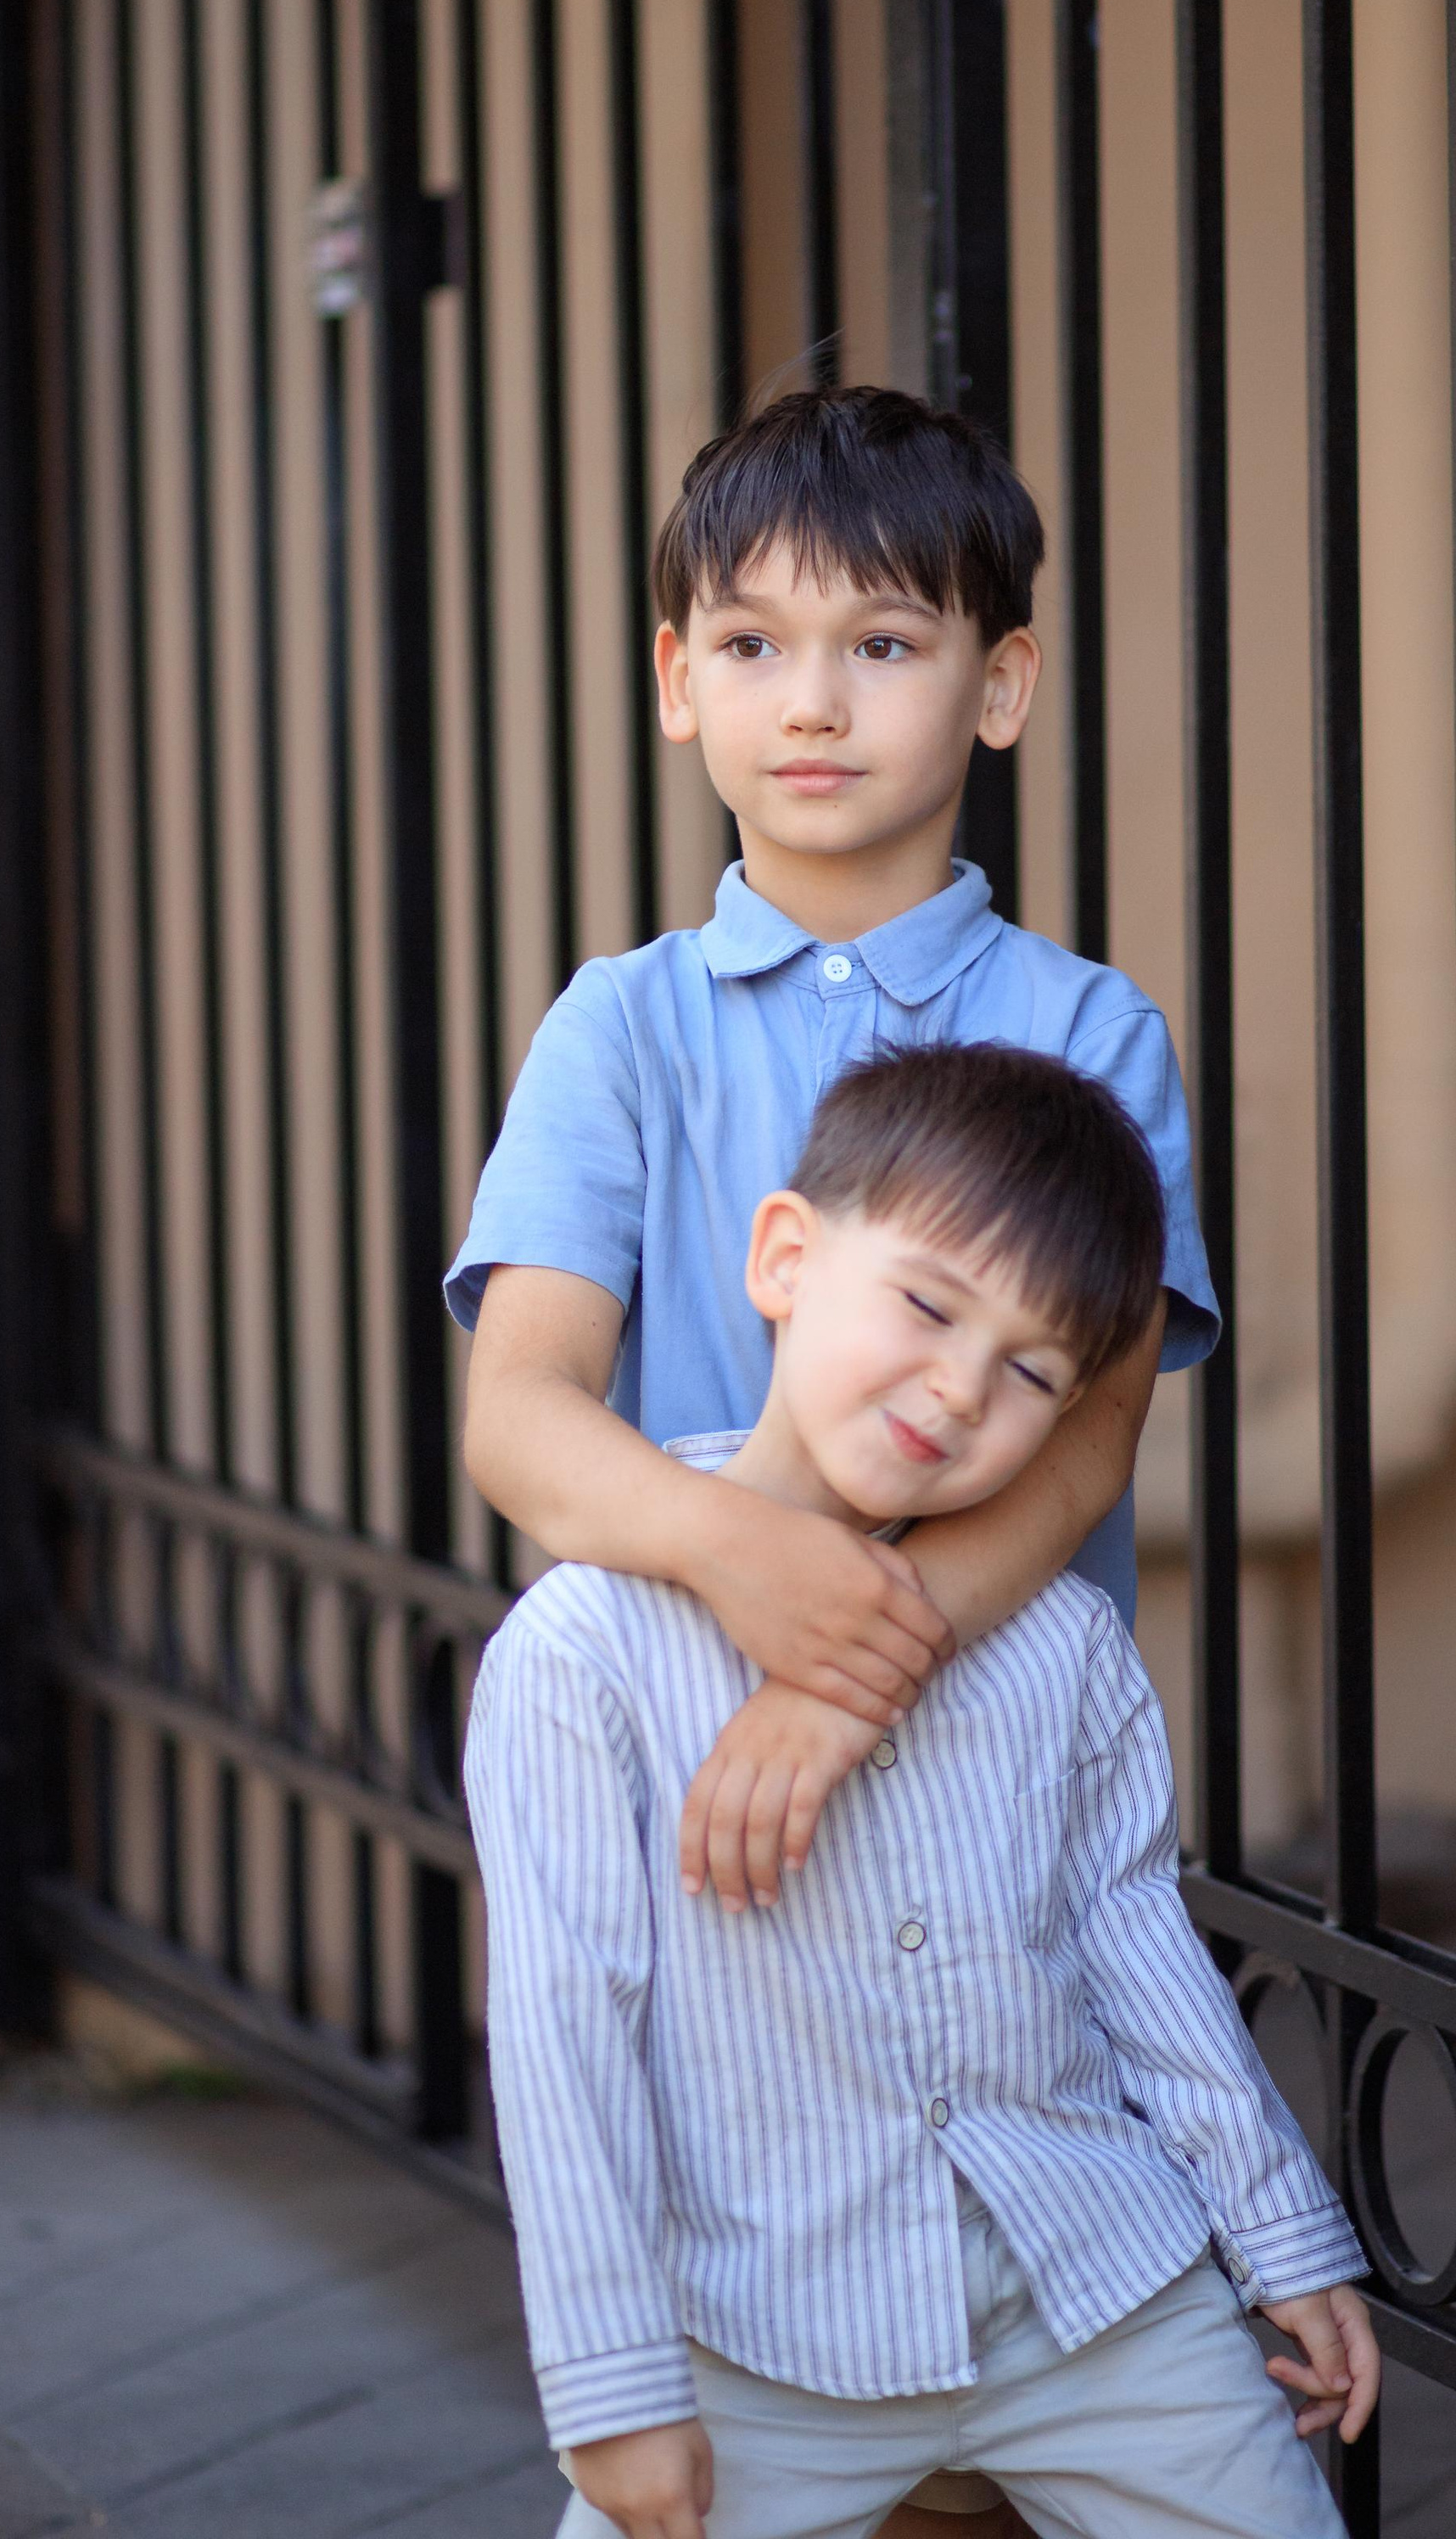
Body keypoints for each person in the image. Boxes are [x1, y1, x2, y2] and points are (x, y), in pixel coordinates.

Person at [467, 1045, 1378, 2539]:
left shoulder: (1061, 1645)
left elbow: (1136, 1945)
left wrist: (1283, 2235)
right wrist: (614, 2390)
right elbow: (567, 2045)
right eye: (927, 1305)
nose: (959, 1391)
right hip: (765, 2335)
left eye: (1029, 1373)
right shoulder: (586, 1655)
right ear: (785, 1257)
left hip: (1102, 2301)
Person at [449, 387, 1218, 1935]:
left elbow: (1092, 1435)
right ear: (677, 679)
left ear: (999, 687)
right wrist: (746, 1560)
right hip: (692, 1746)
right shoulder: (622, 1027)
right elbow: (521, 1413)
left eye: (880, 645)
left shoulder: (1093, 1032)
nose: (811, 703)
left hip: (993, 1742)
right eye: (750, 646)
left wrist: (859, 1666)